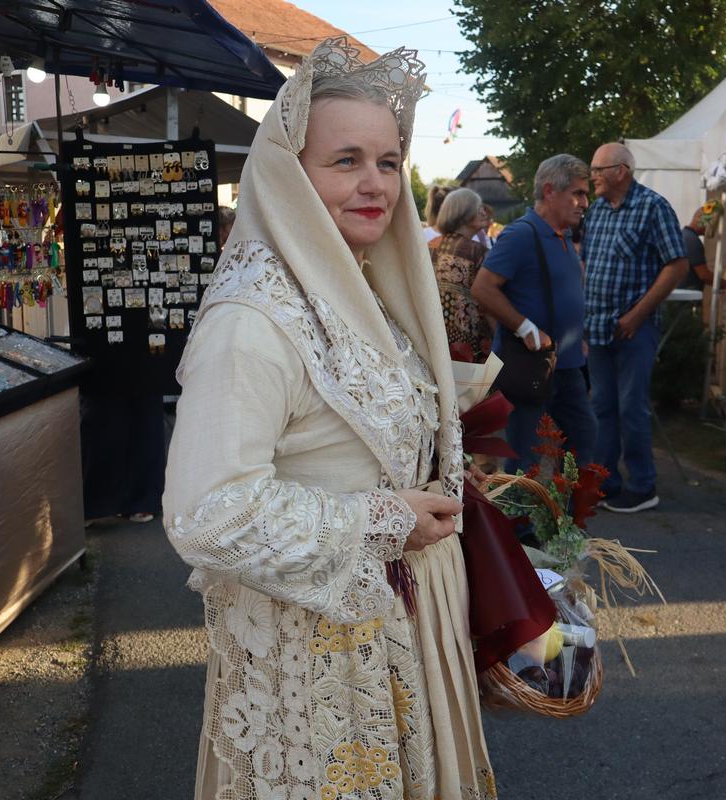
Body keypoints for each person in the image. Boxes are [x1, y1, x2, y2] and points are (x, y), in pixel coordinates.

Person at [163, 40, 497, 800]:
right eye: (346, 161)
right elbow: (208, 513)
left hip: (395, 632)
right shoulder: (252, 322)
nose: (375, 183)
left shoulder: (359, 290)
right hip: (320, 661)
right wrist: (384, 521)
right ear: (289, 174)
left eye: (388, 161)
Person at [471, 154, 596, 472]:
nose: (585, 202)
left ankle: (567, 504)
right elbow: (482, 288)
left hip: (567, 365)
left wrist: (577, 337)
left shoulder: (563, 235)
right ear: (550, 191)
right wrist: (525, 327)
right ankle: (521, 507)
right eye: (578, 193)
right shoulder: (521, 234)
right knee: (525, 460)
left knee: (583, 441)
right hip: (532, 367)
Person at [583, 142, 689, 513]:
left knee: (631, 408)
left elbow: (677, 265)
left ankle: (643, 487)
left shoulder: (653, 206)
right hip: (597, 327)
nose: (592, 177)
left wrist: (638, 314)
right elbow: (587, 265)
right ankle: (606, 482)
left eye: (598, 170)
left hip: (634, 329)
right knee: (602, 407)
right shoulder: (596, 211)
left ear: (621, 171)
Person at [430, 188, 492, 356]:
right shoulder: (477, 251)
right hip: (467, 346)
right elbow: (489, 301)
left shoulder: (429, 246)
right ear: (465, 214)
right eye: (479, 208)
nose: (484, 212)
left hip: (432, 339)